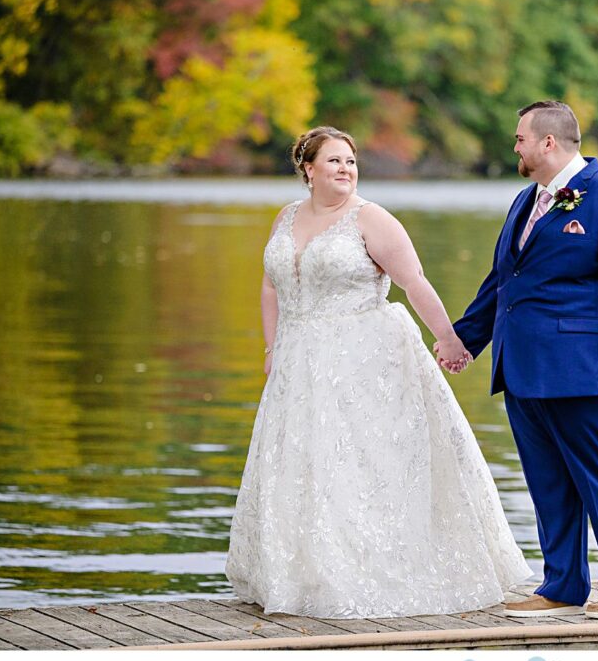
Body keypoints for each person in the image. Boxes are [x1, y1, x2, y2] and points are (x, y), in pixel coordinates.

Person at [225, 126, 531, 619]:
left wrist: (451, 340)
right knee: (305, 462)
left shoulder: (372, 220)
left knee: (362, 464)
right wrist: (271, 345)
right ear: (307, 169)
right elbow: (270, 287)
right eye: (333, 161)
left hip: (365, 356)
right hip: (299, 358)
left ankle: (373, 573)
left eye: (350, 160)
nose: (346, 169)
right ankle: (303, 578)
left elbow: (414, 284)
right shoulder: (286, 218)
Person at [445, 101, 598, 619]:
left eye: (520, 138)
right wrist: (464, 341)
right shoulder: (527, 201)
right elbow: (504, 282)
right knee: (549, 482)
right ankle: (563, 586)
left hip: (592, 373)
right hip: (524, 369)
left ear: (548, 142)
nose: (514, 147)